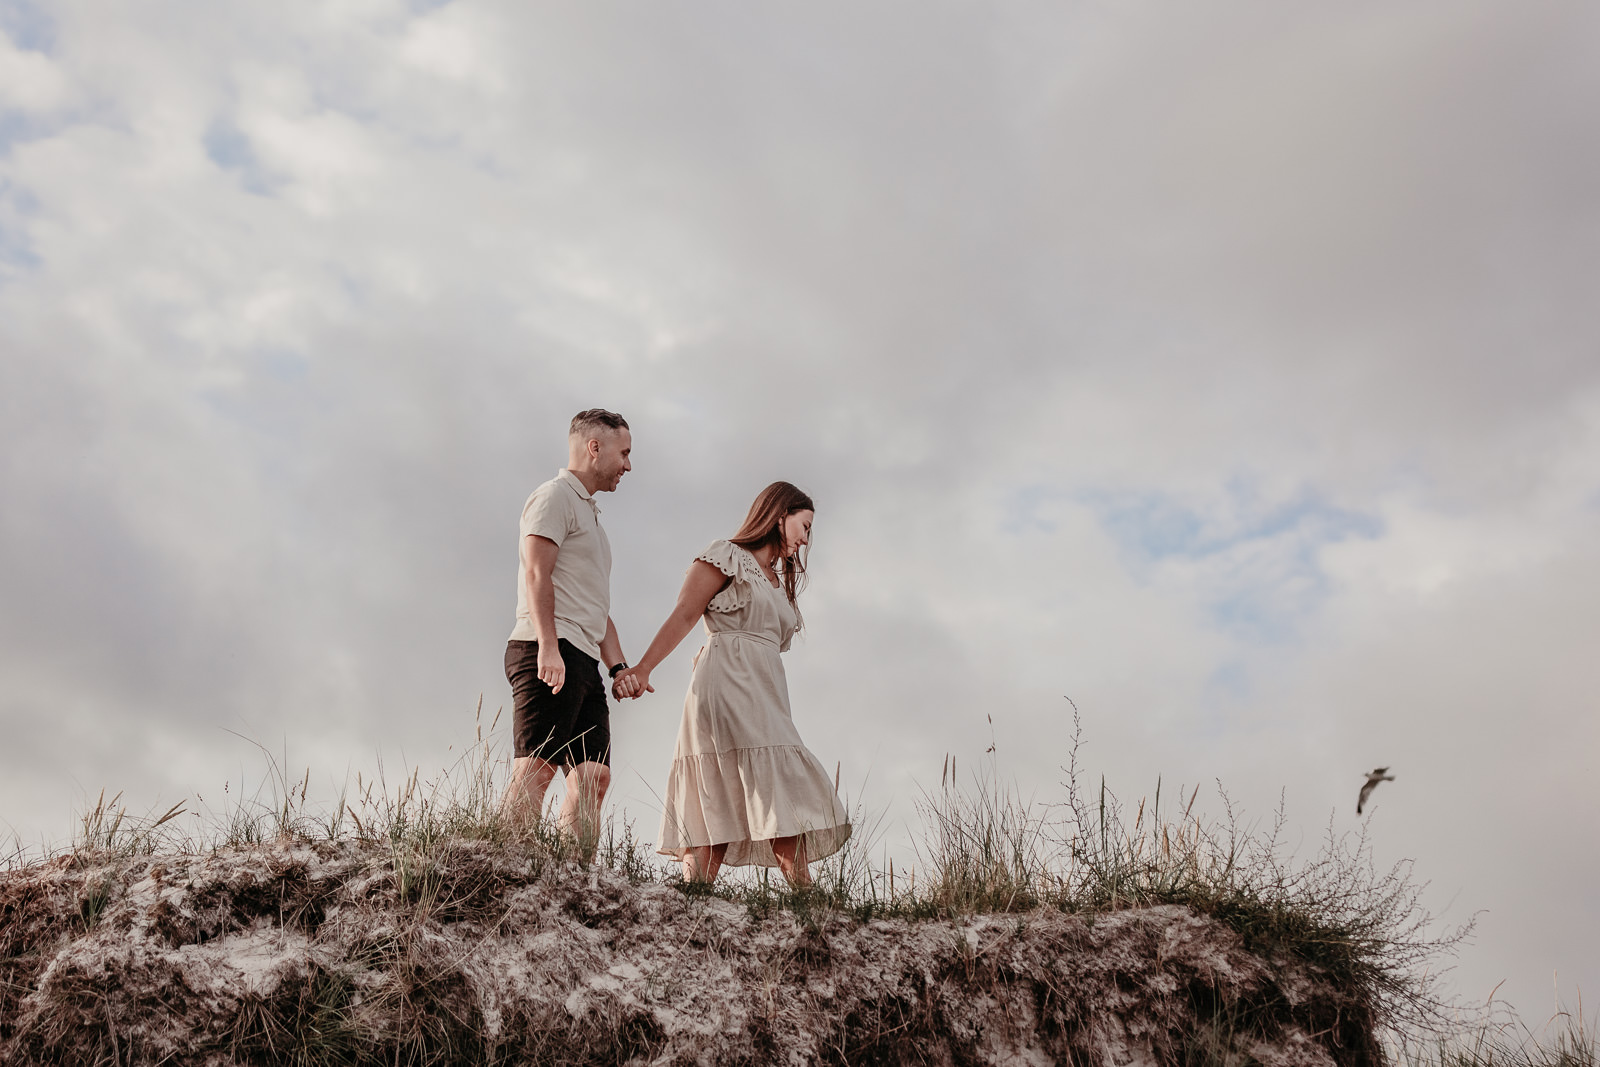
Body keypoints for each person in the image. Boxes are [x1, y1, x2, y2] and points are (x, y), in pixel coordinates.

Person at [617, 482, 850, 887]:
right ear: (779, 515)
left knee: (746, 777)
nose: (807, 538)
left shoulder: (777, 583)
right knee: (758, 777)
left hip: (765, 688)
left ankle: (694, 895)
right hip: (726, 680)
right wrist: (643, 668)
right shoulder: (727, 555)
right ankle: (803, 890)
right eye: (805, 526)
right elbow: (685, 614)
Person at [501, 408, 642, 857]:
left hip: (581, 654)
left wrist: (619, 667)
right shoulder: (554, 496)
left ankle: (574, 875)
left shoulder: (593, 520)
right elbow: (536, 575)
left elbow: (598, 610)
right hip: (547, 647)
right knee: (537, 768)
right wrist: (547, 646)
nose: (628, 465)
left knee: (592, 776)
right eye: (624, 452)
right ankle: (505, 862)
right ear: (593, 447)